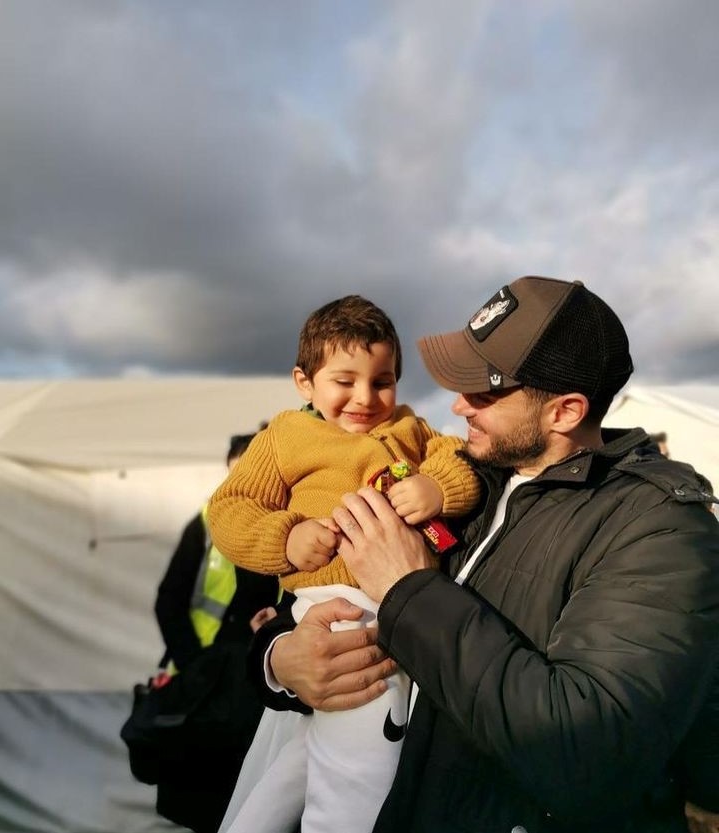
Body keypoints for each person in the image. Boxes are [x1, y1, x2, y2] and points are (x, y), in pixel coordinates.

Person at [254, 276, 719, 833]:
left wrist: (409, 591)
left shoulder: (660, 529)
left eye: (485, 390)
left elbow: (585, 750)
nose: (457, 405)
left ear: (565, 412)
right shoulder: (463, 482)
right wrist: (280, 659)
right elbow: (329, 598)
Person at [207, 295, 482, 833]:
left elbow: (457, 459)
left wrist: (436, 489)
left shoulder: (412, 428)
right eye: (344, 380)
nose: (365, 397)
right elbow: (230, 508)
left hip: (397, 602)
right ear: (304, 382)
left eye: (382, 381)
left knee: (305, 762)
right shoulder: (285, 437)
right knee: (359, 772)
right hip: (340, 614)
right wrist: (285, 539)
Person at [154, 431, 283, 833]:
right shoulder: (208, 522)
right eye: (233, 478)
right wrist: (197, 668)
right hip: (205, 689)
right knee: (200, 805)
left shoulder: (291, 524)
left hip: (261, 693)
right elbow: (169, 601)